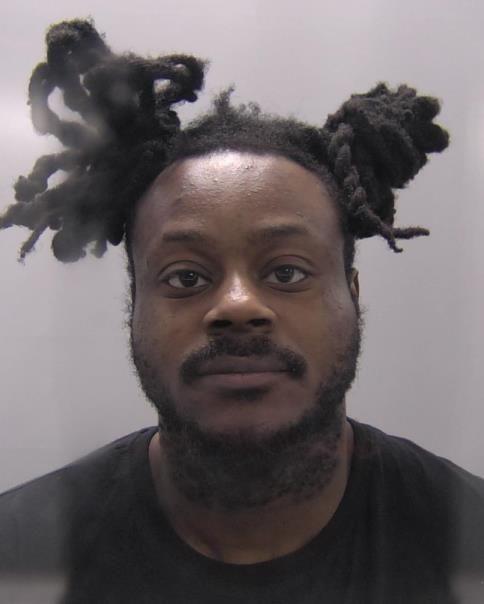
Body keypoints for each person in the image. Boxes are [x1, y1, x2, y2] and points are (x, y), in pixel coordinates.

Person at [0, 18, 482, 604]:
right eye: (186, 277)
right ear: (135, 307)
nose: (237, 307)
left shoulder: (467, 541)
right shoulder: (18, 553)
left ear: (353, 295)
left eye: (287, 272)